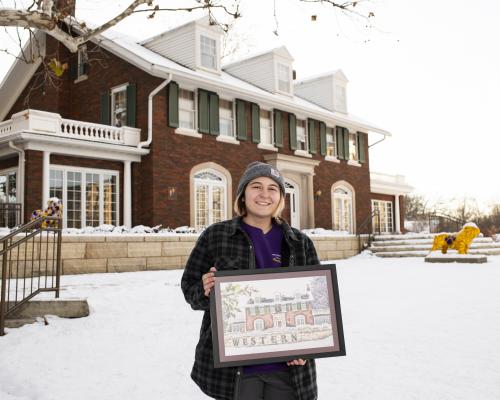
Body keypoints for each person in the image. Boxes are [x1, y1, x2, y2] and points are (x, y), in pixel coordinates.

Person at [181, 161, 320, 400]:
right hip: (234, 370)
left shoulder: (300, 243)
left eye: (272, 188)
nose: (264, 194)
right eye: (256, 186)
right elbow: (189, 288)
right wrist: (204, 290)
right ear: (243, 195)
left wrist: (308, 347)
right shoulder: (216, 236)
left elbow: (317, 301)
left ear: (280, 198)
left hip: (288, 370)